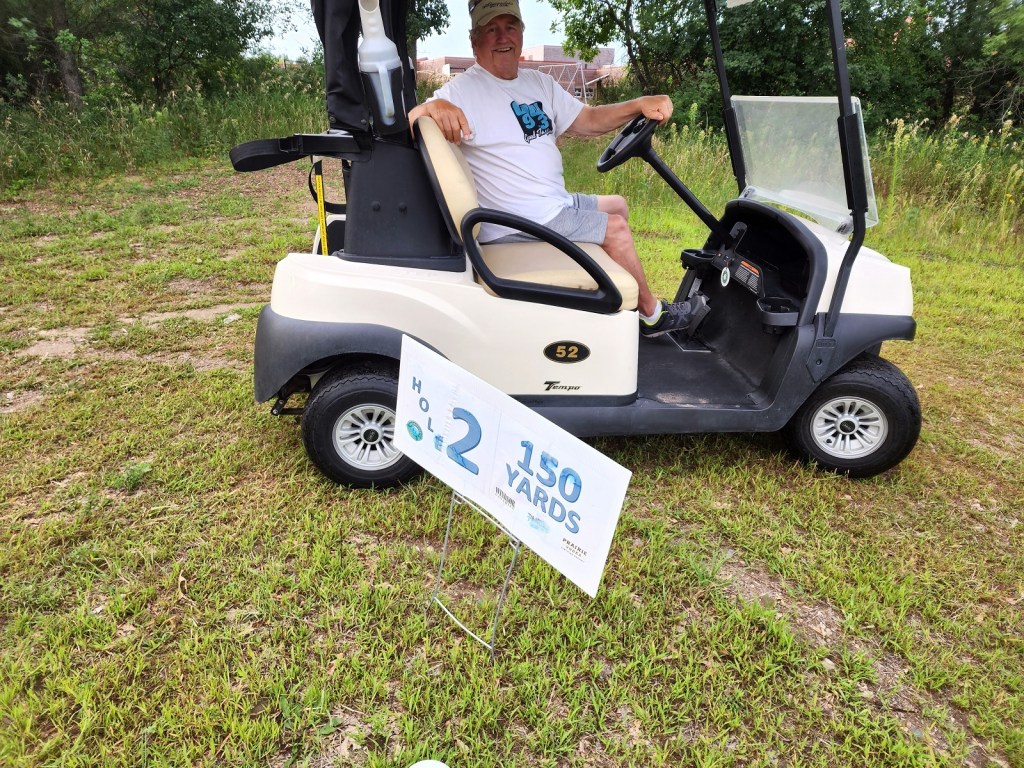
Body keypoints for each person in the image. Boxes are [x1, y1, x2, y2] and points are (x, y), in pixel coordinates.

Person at [407, 0, 710, 338]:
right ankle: (652, 316)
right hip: (518, 221)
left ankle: (617, 303)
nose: (503, 37)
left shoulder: (538, 83)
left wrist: (639, 104)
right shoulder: (462, 90)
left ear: (521, 34)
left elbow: (589, 119)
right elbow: (415, 117)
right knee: (616, 230)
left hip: (551, 205)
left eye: (510, 26)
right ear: (474, 42)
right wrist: (435, 106)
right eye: (491, 29)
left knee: (618, 205)